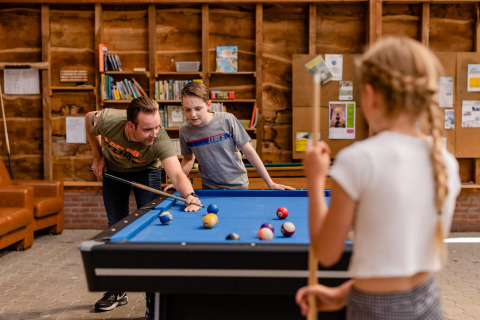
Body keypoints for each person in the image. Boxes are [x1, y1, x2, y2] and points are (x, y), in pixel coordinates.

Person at [295, 36, 461, 319]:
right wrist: (339, 296)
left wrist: (315, 179)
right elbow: (399, 265)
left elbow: (326, 252)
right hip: (428, 300)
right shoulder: (446, 162)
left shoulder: (358, 159)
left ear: (370, 95)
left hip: (373, 308)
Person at [85, 96, 201, 318]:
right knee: (116, 229)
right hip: (114, 171)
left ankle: (153, 297)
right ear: (130, 125)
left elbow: (176, 174)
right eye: (148, 129)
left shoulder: (160, 140)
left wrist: (190, 195)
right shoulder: (109, 120)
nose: (155, 133)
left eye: (157, 126)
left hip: (147, 171)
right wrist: (97, 156)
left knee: (151, 232)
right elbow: (89, 119)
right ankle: (117, 291)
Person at [164, 81, 295, 191]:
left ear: (208, 105)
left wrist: (270, 183)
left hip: (238, 185)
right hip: (210, 188)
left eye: (198, 109)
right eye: (187, 109)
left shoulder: (227, 120)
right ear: (182, 107)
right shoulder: (184, 130)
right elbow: (188, 159)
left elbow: (249, 152)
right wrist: (178, 183)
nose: (193, 114)